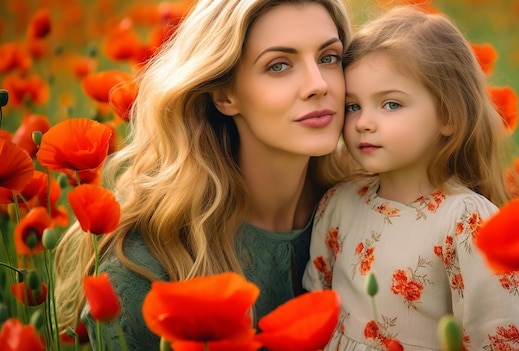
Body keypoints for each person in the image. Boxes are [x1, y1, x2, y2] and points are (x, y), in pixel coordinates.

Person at [54, 0, 353, 349]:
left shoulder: (372, 210)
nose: (319, 85)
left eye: (328, 58)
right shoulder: (147, 266)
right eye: (279, 65)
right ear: (225, 96)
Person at [303, 6, 519, 350]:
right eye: (352, 106)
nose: (363, 122)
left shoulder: (467, 221)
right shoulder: (339, 203)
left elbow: (500, 339)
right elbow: (313, 311)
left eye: (390, 104)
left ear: (448, 116)